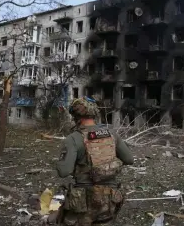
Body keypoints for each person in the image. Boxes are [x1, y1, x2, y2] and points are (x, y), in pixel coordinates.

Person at [56, 96, 134, 226]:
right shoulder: (111, 134)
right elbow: (129, 159)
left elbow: (64, 171)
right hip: (110, 200)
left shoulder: (74, 138)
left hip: (84, 202)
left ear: (75, 116)